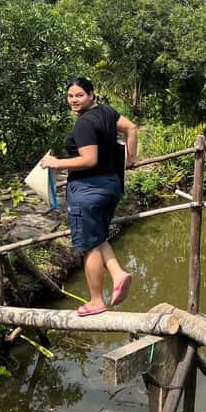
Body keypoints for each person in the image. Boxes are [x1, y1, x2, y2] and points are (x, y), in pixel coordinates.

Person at [41, 78, 138, 316]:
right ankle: (118, 274)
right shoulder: (106, 112)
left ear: (91, 95)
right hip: (111, 185)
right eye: (70, 96)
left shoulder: (84, 124)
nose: (74, 100)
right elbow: (131, 128)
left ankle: (96, 301)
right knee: (97, 236)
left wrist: (56, 163)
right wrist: (131, 159)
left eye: (79, 95)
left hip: (87, 191)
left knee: (88, 246)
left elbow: (88, 160)